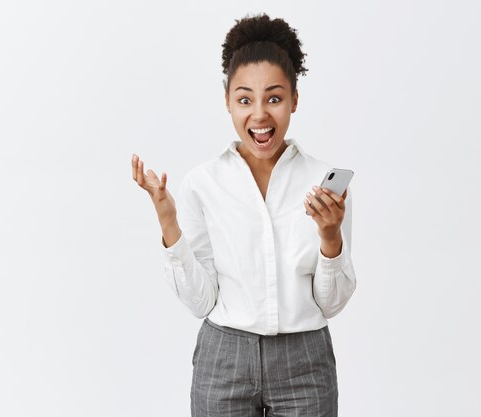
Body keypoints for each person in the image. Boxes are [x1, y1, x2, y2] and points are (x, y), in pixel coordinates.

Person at [131, 13, 356, 417]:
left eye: (274, 98)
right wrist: (168, 219)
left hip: (305, 359)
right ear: (228, 102)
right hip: (224, 358)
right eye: (244, 99)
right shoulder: (203, 183)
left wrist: (330, 238)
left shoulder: (324, 185)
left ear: (294, 100)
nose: (259, 115)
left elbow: (331, 304)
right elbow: (201, 301)